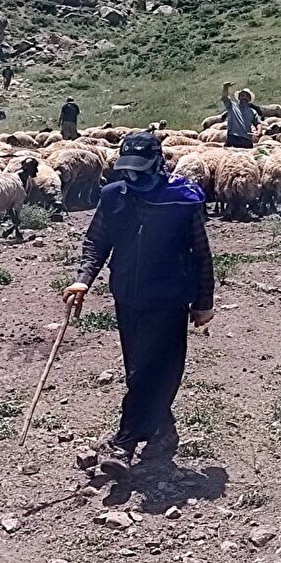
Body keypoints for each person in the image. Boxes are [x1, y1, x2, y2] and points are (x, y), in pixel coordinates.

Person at [62, 131, 216, 481]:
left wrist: (204, 301)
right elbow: (97, 240)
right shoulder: (114, 196)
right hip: (128, 296)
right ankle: (163, 430)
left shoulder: (183, 198)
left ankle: (124, 444)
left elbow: (201, 253)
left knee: (153, 370)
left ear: (158, 164)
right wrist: (83, 278)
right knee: (139, 370)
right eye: (128, 169)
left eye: (140, 169)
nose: (133, 176)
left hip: (170, 297)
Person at [220, 81, 262, 149]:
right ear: (239, 98)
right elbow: (225, 97)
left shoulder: (253, 112)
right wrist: (225, 88)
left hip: (247, 140)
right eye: (242, 96)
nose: (244, 97)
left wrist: (259, 131)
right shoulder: (232, 106)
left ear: (249, 99)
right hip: (233, 138)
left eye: (247, 96)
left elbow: (257, 123)